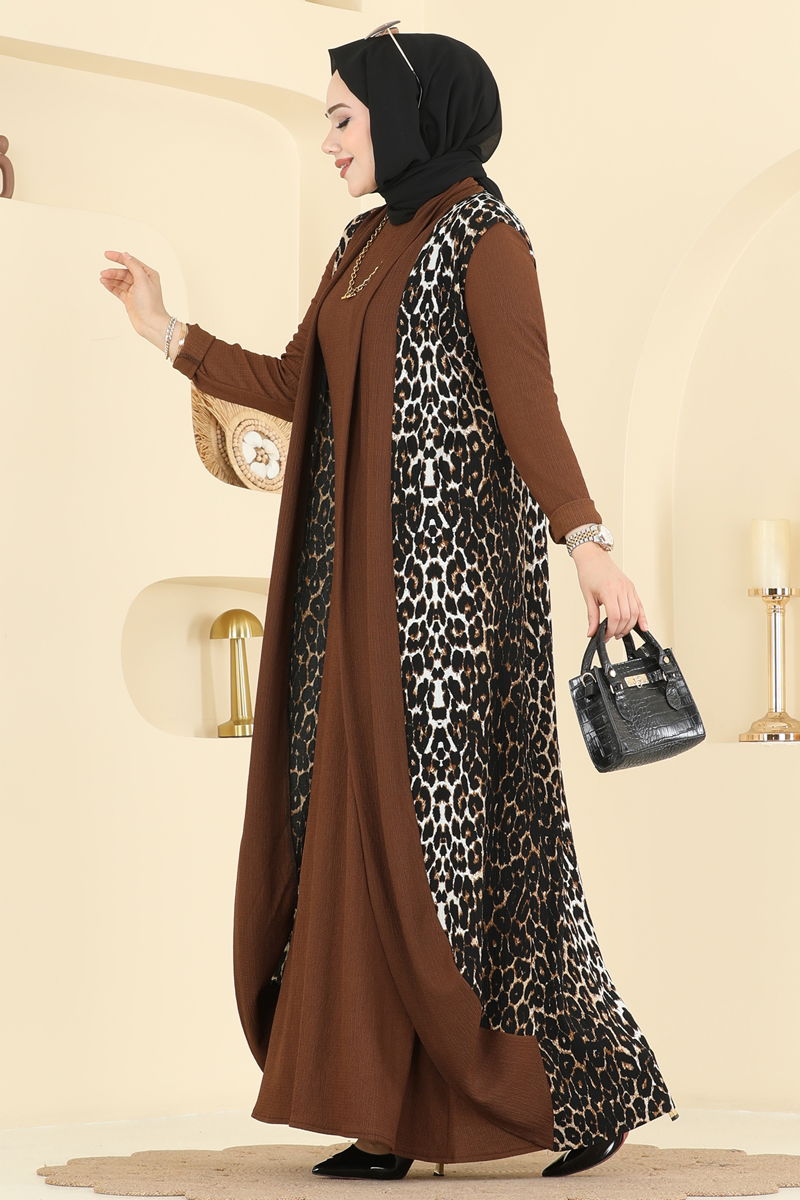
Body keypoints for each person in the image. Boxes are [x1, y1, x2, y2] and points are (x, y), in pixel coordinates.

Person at [98, 20, 679, 1184]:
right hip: (348, 595)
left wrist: (587, 544)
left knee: (453, 856)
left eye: (341, 116)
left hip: (448, 611)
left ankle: (581, 1086)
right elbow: (291, 383)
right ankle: (386, 1114)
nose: (327, 140)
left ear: (411, 116)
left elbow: (527, 403)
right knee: (353, 837)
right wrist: (162, 329)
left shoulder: (484, 237)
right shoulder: (362, 244)